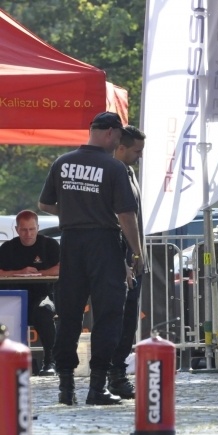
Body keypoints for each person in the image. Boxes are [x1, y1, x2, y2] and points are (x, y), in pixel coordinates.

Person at [38, 111, 145, 406]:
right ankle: (97, 386)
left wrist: (75, 213)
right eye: (119, 137)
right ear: (110, 133)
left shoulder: (62, 162)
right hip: (104, 243)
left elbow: (45, 203)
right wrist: (137, 253)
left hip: (71, 242)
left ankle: (66, 387)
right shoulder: (113, 168)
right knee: (109, 313)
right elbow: (126, 215)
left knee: (69, 313)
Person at [107, 125, 147, 399]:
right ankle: (114, 374)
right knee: (119, 318)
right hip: (121, 257)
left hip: (133, 256)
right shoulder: (112, 173)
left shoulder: (128, 172)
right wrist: (129, 257)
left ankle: (117, 372)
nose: (139, 156)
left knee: (129, 318)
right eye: (136, 150)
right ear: (121, 147)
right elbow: (118, 220)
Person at [0, 210, 60, 376]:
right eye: (24, 230)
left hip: (44, 295)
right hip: (14, 298)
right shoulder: (7, 248)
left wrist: (39, 274)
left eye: (32, 229)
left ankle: (50, 361)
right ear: (17, 229)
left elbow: (61, 268)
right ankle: (9, 360)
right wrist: (20, 272)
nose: (28, 234)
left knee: (43, 312)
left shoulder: (50, 245)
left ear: (38, 228)